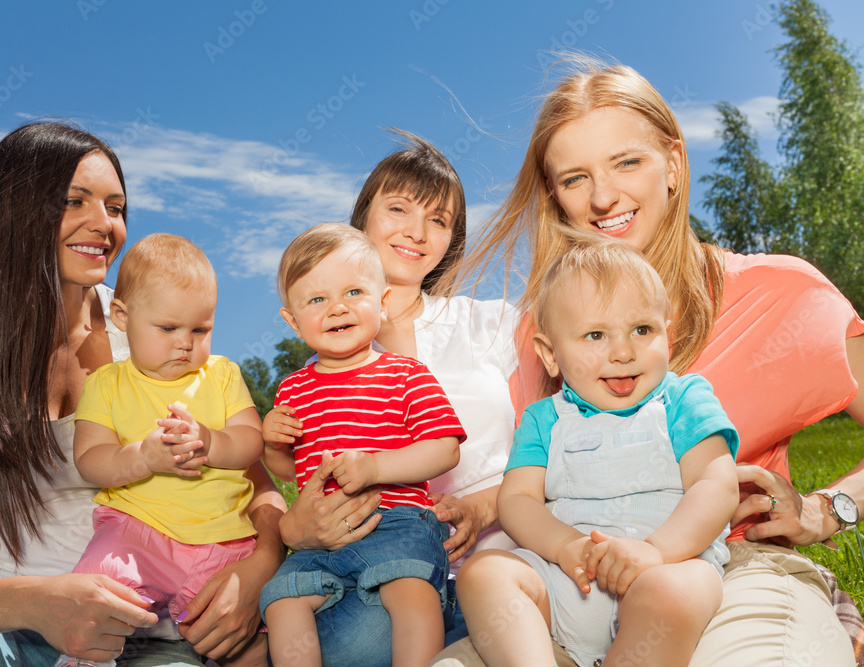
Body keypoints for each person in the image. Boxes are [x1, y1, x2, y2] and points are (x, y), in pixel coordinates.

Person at [436, 59, 864, 666]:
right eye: (575, 178)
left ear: (674, 164)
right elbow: (547, 469)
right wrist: (474, 509)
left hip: (724, 568)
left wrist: (830, 509)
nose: (604, 196)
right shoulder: (545, 330)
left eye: (627, 162)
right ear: (555, 197)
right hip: (573, 572)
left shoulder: (782, 293)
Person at [0, 122, 287, 667]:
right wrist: (38, 604)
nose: (104, 224)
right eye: (74, 201)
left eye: (117, 207)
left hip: (139, 635)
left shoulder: (153, 329)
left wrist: (261, 566)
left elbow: (252, 483)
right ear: (12, 212)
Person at [273, 132, 521, 666]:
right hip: (355, 569)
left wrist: (487, 505)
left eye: (439, 219)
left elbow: (560, 437)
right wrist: (293, 527)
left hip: (496, 566)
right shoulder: (318, 361)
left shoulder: (496, 323)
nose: (417, 231)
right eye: (399, 208)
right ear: (362, 218)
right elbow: (280, 471)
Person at [458, 237, 739, 667]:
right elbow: (516, 500)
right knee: (484, 574)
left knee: (676, 594)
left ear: (669, 331)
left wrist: (657, 551)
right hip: (567, 578)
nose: (623, 352)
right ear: (551, 354)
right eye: (595, 335)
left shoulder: (683, 399)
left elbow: (716, 485)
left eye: (642, 330)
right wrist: (566, 546)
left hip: (666, 566)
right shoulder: (544, 419)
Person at [53, 233, 267, 667]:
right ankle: (81, 660)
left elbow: (251, 442)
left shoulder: (222, 375)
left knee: (249, 640)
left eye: (200, 329)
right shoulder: (107, 384)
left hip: (224, 542)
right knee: (93, 596)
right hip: (137, 534)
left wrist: (211, 440)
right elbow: (91, 459)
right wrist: (143, 458)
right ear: (121, 316)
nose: (185, 342)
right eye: (168, 328)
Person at [260, 223, 465, 667]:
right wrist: (272, 441)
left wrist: (374, 469)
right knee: (281, 600)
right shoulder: (292, 389)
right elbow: (288, 467)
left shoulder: (406, 374)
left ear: (383, 302)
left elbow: (445, 447)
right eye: (316, 299)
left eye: (353, 292)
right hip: (320, 541)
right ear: (292, 320)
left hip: (396, 521)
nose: (337, 308)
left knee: (410, 590)